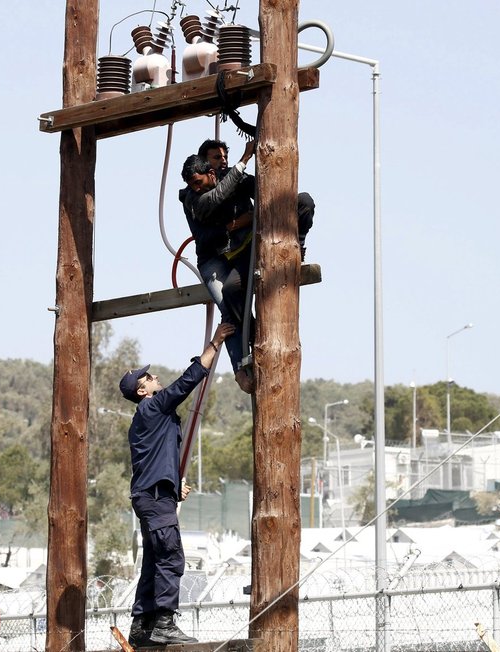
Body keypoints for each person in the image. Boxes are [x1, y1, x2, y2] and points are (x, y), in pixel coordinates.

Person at [119, 322, 235, 648]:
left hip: (153, 494)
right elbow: (186, 383)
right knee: (171, 558)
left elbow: (156, 460)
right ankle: (165, 623)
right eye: (149, 378)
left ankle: (142, 626)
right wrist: (216, 342)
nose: (155, 377)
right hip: (155, 497)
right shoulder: (153, 407)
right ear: (142, 391)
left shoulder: (149, 418)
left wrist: (172, 487)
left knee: (155, 560)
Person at [179, 139, 316, 393]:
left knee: (303, 201)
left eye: (224, 158)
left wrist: (272, 209)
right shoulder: (191, 197)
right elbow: (214, 204)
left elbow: (267, 195)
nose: (222, 162)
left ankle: (297, 248)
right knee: (230, 307)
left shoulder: (235, 180)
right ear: (206, 165)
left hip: (241, 253)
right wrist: (233, 223)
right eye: (215, 158)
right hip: (214, 259)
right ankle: (241, 368)